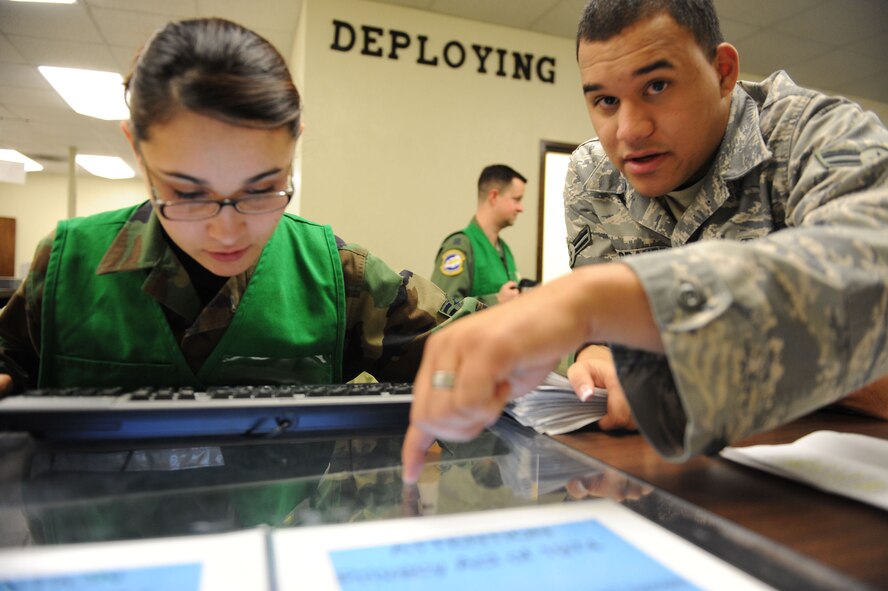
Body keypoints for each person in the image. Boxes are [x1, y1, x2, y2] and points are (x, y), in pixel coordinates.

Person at [401, 0, 888, 483]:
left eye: (657, 86)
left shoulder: (818, 136)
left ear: (722, 71)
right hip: (662, 480)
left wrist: (599, 308)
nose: (630, 131)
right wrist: (596, 355)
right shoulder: (593, 176)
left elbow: (872, 294)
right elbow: (611, 348)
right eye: (605, 101)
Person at [0, 18, 479, 395]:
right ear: (137, 149)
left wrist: (551, 337)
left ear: (293, 148)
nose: (228, 232)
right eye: (188, 194)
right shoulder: (66, 265)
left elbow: (475, 344)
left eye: (262, 188)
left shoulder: (338, 275)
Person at [430, 164, 527, 305]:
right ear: (494, 197)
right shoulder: (461, 246)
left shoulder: (504, 250)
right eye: (516, 199)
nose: (521, 208)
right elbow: (439, 308)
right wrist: (496, 300)